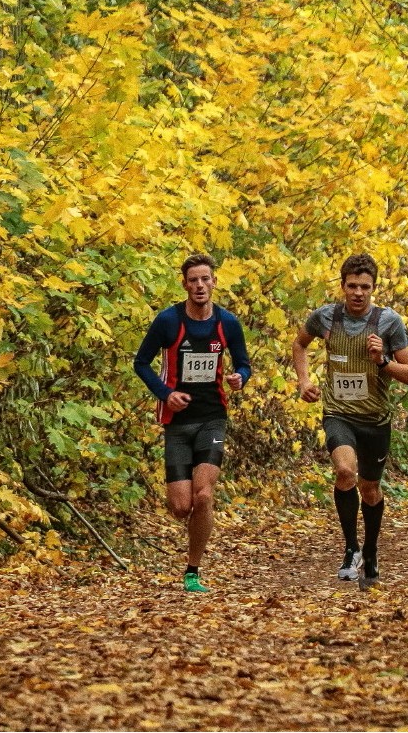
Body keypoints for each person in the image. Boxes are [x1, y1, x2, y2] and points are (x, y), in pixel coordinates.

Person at [292, 252, 408, 590]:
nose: (358, 292)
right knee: (345, 472)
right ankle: (351, 548)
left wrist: (382, 360)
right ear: (342, 285)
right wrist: (304, 381)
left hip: (375, 419)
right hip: (338, 412)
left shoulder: (389, 323)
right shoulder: (326, 317)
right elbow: (300, 345)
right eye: (352, 286)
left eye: (365, 287)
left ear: (374, 288)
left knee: (371, 489)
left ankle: (372, 550)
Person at [134, 253, 251, 592]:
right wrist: (165, 392)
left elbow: (244, 364)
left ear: (214, 282)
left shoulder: (227, 323)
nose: (200, 285)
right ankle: (191, 533)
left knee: (203, 496)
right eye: (193, 280)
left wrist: (239, 378)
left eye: (205, 279)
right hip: (177, 421)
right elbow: (140, 363)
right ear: (184, 284)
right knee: (180, 506)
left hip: (212, 416)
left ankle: (192, 572)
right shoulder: (168, 321)